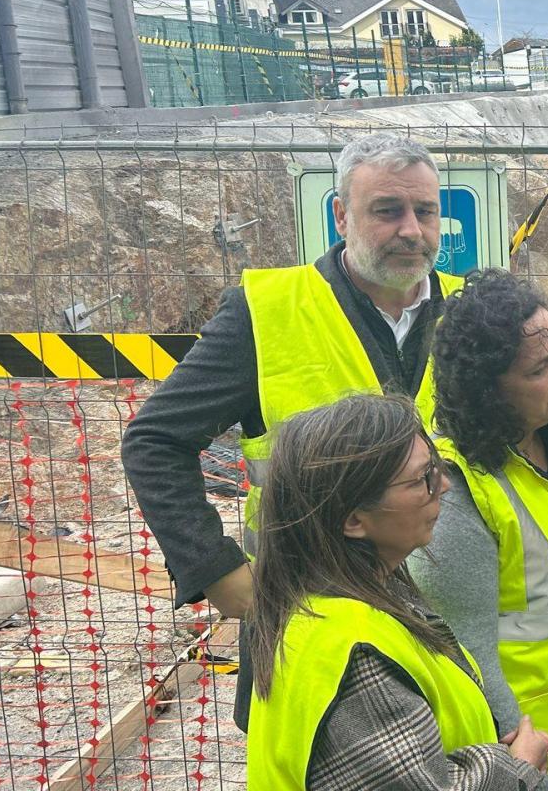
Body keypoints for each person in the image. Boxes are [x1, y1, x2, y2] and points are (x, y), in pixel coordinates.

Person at [122, 133, 458, 728]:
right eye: (387, 210)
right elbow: (155, 440)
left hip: (450, 615)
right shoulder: (268, 312)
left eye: (425, 211)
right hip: (310, 621)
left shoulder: (465, 314)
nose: (412, 230)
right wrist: (214, 567)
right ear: (340, 214)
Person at [245, 393, 548, 790]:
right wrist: (518, 767)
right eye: (422, 478)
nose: (442, 486)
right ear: (354, 520)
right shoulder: (359, 659)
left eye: (437, 467)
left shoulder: (339, 602)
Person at [411, 269, 548, 791]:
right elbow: (468, 651)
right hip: (526, 751)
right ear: (489, 391)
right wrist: (518, 770)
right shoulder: (457, 493)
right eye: (538, 370)